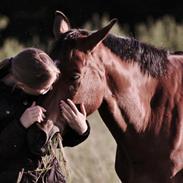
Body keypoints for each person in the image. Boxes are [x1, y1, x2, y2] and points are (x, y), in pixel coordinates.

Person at [0, 48, 90, 183]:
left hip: (49, 178)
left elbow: (51, 140)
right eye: (45, 89)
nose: (50, 90)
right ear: (22, 85)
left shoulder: (39, 86)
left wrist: (81, 129)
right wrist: (21, 124)